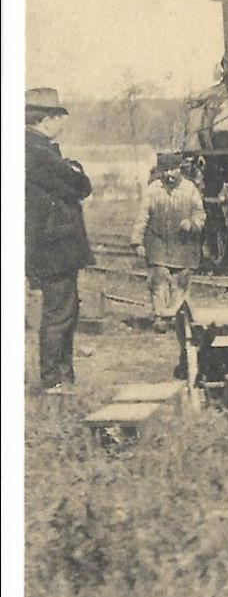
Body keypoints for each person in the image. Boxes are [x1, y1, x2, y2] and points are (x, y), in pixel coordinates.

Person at [25, 87, 94, 394]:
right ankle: (54, 379)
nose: (62, 123)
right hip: (54, 245)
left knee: (65, 310)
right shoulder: (36, 151)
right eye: (59, 117)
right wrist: (76, 173)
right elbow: (78, 184)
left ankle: (63, 376)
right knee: (59, 312)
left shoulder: (37, 148)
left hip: (55, 243)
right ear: (47, 120)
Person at [131, 151, 205, 319]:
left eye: (172, 170)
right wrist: (137, 242)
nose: (168, 174)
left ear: (180, 169)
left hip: (184, 245)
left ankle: (176, 316)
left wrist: (192, 224)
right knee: (158, 281)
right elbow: (142, 216)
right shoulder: (153, 190)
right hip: (158, 243)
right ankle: (159, 315)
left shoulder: (190, 189)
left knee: (181, 283)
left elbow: (200, 214)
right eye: (164, 170)